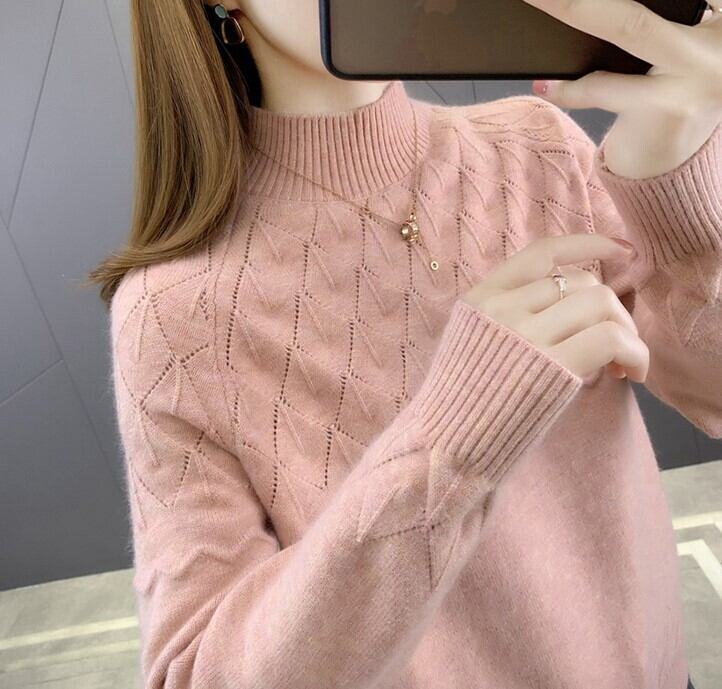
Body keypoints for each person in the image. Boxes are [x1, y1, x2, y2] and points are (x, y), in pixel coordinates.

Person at [88, 1, 722, 687]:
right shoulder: (171, 316)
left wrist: (679, 182)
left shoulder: (538, 148)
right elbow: (195, 674)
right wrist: (453, 437)